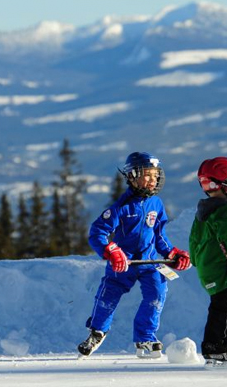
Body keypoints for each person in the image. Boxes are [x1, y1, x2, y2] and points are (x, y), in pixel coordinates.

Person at [78, 152, 191, 359]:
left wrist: (172, 253)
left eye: (155, 175)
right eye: (147, 175)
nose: (153, 180)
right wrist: (112, 251)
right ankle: (97, 331)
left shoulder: (156, 204)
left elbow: (159, 235)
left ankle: (145, 338)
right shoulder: (122, 207)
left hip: (149, 262)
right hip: (123, 263)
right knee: (108, 296)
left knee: (156, 295)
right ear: (132, 176)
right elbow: (97, 232)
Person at [188, 157, 227, 367]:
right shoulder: (226, 212)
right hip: (222, 270)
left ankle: (216, 346)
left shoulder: (202, 210)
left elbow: (194, 241)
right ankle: (217, 348)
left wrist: (198, 261)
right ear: (226, 184)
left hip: (207, 270)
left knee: (220, 307)